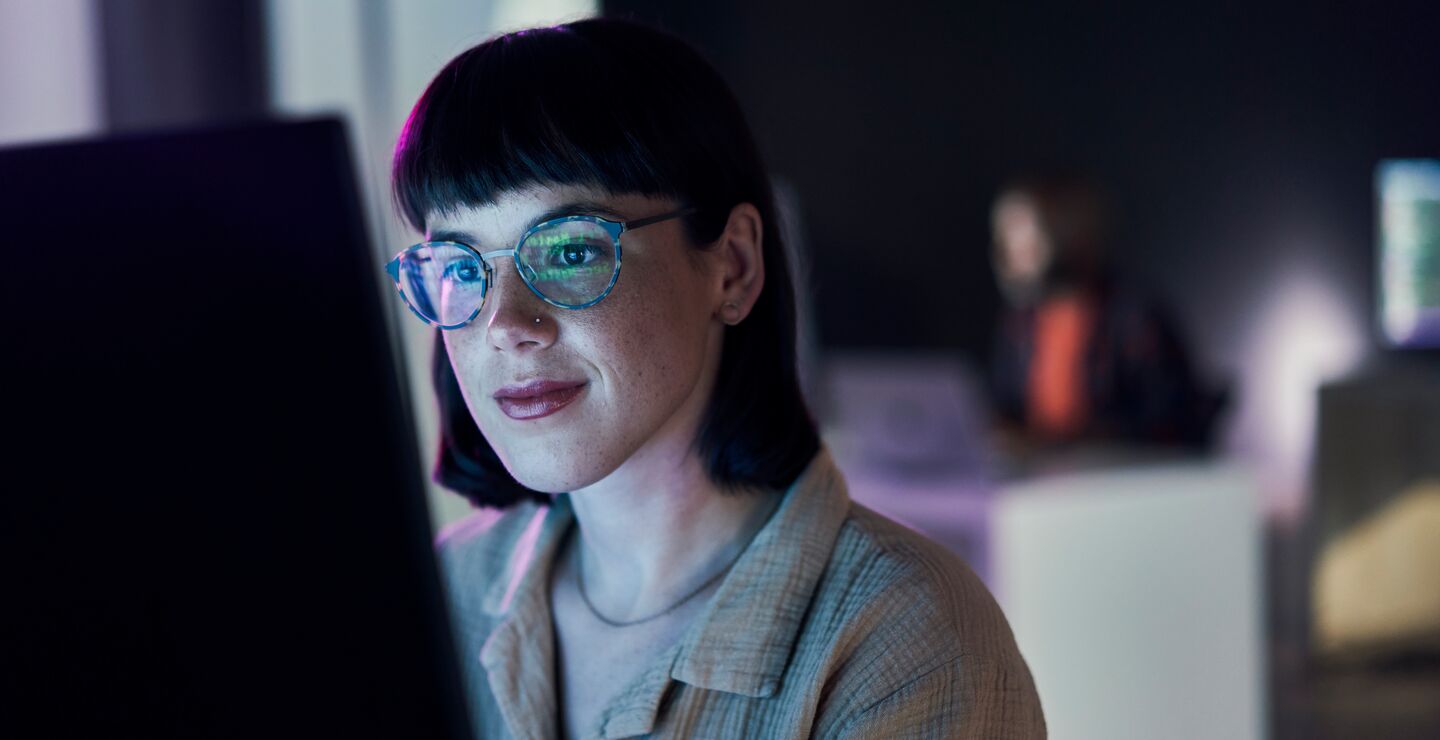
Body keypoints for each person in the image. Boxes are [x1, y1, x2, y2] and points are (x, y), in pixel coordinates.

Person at [386, 18, 1045, 739]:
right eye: (458, 267)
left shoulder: (903, 641)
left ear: (732, 266)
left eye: (570, 251)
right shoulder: (444, 595)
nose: (505, 323)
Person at [988, 173, 1224, 452]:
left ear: (1067, 230)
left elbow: (1170, 419)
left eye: (1024, 235)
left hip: (1120, 481)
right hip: (1043, 480)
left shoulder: (1133, 316)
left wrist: (1085, 440)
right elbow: (1005, 408)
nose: (1013, 252)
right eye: (1006, 237)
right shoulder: (1021, 324)